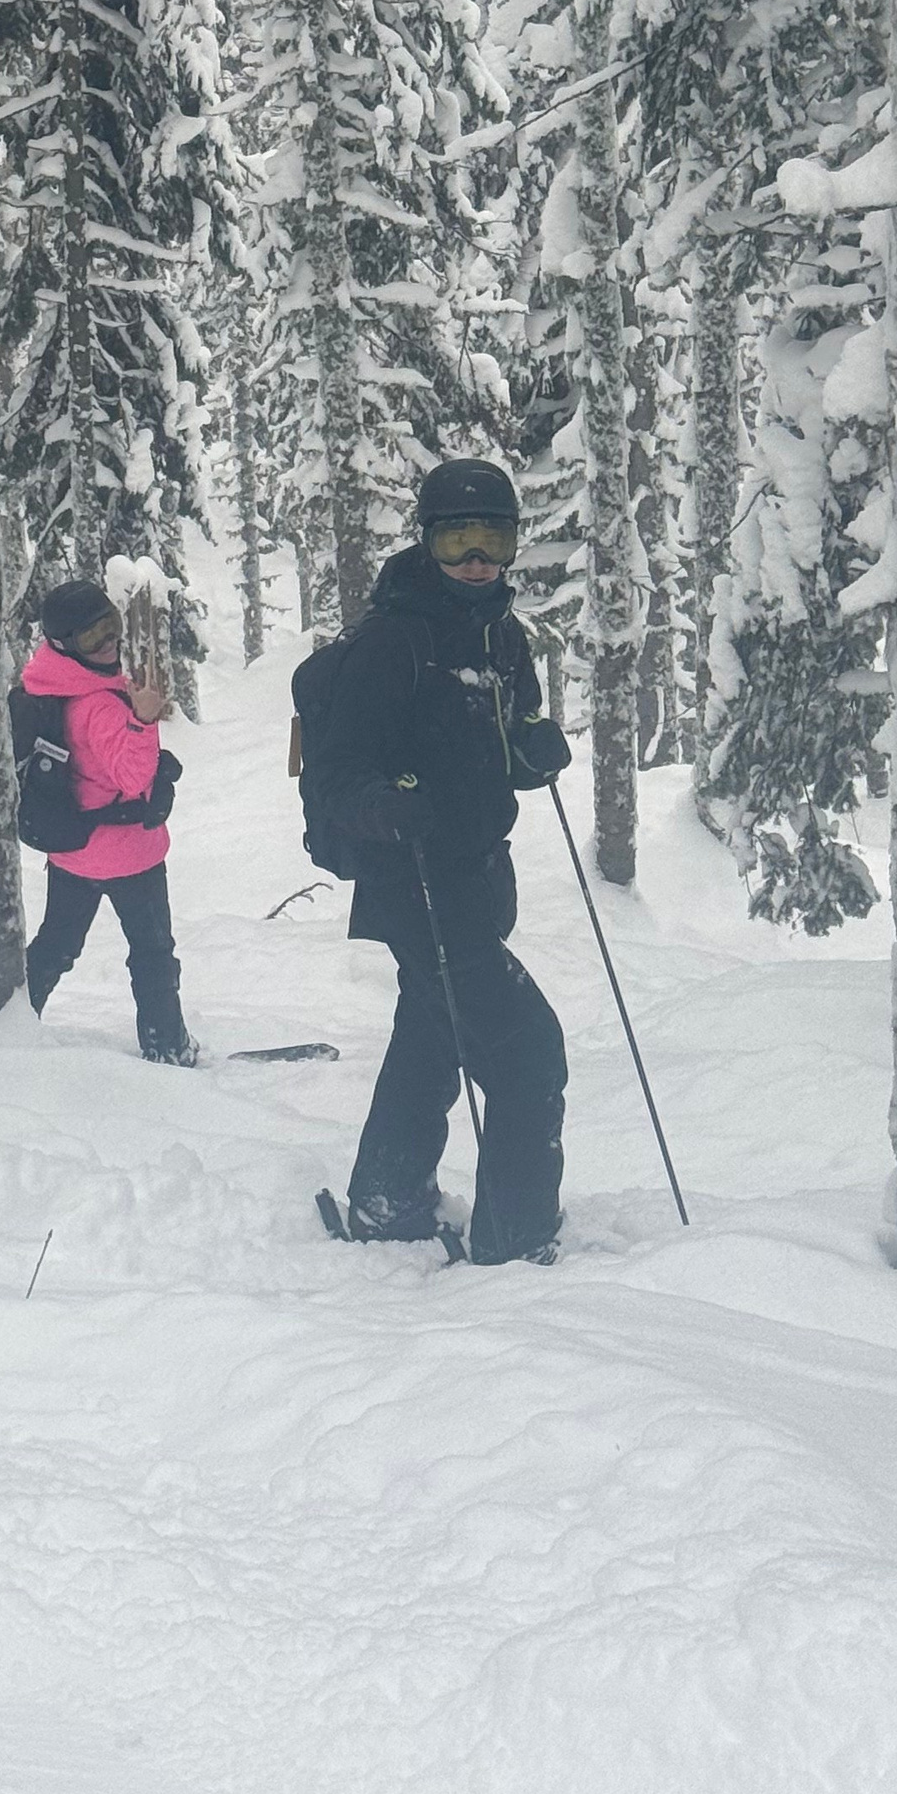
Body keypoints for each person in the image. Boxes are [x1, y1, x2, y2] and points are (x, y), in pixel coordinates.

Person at [294, 460, 574, 1263]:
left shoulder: (502, 636)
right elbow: (339, 774)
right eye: (458, 539)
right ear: (427, 540)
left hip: (477, 876)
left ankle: (388, 1196)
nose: (476, 560)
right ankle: (516, 1241)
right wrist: (384, 804)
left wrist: (533, 751)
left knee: (432, 1032)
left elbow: (501, 748)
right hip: (412, 882)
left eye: (492, 538)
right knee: (528, 1055)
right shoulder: (393, 641)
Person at [18, 577, 196, 1065]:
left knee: (56, 945)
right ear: (64, 645)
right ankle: (168, 1045)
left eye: (111, 628)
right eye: (92, 638)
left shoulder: (55, 684)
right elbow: (133, 777)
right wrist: (142, 721)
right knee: (153, 953)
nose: (109, 644)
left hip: (74, 850)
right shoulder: (95, 703)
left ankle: (8, 1023)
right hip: (128, 852)